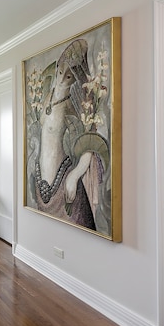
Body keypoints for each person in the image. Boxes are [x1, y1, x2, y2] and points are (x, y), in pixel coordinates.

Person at [34, 39, 108, 231]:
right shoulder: (47, 98)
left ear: (76, 78)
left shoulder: (72, 104)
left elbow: (88, 140)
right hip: (43, 178)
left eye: (68, 77)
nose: (61, 80)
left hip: (61, 178)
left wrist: (75, 175)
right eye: (60, 73)